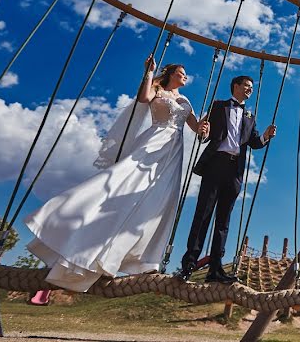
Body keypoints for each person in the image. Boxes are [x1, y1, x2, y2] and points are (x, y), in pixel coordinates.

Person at [24, 56, 209, 292]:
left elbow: (196, 129)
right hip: (153, 141)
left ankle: (139, 257)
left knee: (160, 199)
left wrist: (204, 126)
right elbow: (143, 99)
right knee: (124, 181)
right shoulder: (157, 90)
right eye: (181, 72)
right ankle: (68, 216)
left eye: (185, 74)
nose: (185, 76)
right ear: (171, 74)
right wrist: (148, 73)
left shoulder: (186, 101)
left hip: (173, 151)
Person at [175, 74, 276, 283]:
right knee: (203, 214)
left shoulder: (250, 116)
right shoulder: (218, 106)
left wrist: (265, 136)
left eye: (251, 87)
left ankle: (215, 269)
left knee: (223, 220)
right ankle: (189, 264)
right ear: (236, 86)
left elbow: (254, 142)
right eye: (247, 86)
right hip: (215, 163)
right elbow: (205, 134)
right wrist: (202, 133)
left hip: (235, 169)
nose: (250, 90)